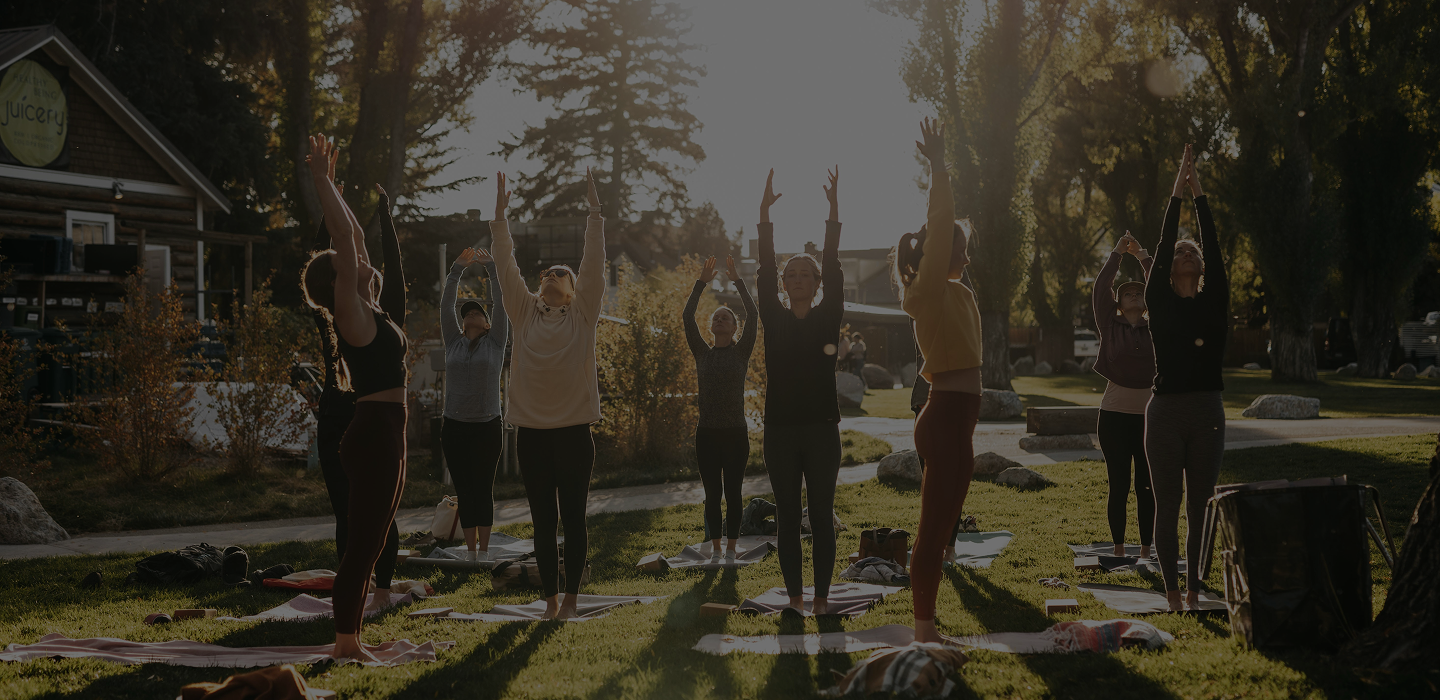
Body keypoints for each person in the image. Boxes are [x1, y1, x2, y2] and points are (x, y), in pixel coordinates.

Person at [300, 134, 410, 661]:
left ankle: (353, 637)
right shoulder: (352, 314)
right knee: (362, 548)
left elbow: (356, 235)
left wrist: (338, 190)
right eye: (345, 259)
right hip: (372, 437)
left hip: (388, 433)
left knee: (373, 541)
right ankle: (346, 645)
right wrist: (321, 181)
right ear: (338, 278)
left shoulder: (370, 307)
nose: (357, 256)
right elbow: (344, 236)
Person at [490, 168, 606, 620]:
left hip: (575, 433)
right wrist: (500, 217)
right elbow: (505, 265)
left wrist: (595, 213)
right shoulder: (524, 313)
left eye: (564, 273)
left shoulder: (582, 316)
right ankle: (550, 603)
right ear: (541, 285)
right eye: (549, 273)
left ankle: (572, 601)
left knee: (573, 519)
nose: (555, 274)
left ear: (575, 289)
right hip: (533, 435)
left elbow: (593, 260)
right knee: (542, 522)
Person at [895, 118, 984, 644]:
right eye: (958, 242)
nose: (965, 251)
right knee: (931, 535)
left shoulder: (958, 293)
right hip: (944, 416)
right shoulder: (925, 290)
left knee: (946, 531)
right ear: (938, 249)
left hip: (961, 422)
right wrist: (939, 166)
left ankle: (929, 627)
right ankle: (924, 633)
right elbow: (942, 216)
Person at [756, 166, 846, 615]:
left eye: (805, 273)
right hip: (780, 433)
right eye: (790, 274)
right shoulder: (772, 319)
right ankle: (795, 600)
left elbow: (833, 261)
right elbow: (764, 265)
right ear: (783, 284)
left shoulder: (829, 316)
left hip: (822, 432)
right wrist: (763, 215)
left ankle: (823, 601)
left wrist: (832, 212)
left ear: (816, 283)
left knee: (822, 518)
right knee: (788, 519)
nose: (796, 278)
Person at [1146, 144, 1228, 612]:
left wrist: (1201, 196)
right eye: (1179, 253)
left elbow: (1214, 247)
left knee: (1201, 505)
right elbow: (1160, 248)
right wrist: (1176, 191)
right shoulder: (1161, 301)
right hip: (1166, 412)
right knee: (1168, 505)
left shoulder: (1214, 301)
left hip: (1207, 412)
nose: (1184, 255)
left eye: (1189, 252)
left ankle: (1196, 590)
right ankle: (1173, 595)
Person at [682, 255, 758, 562]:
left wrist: (738, 280)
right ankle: (714, 548)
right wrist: (702, 282)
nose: (719, 320)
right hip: (707, 435)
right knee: (712, 495)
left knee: (734, 494)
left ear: (734, 327)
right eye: (716, 317)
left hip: (736, 435)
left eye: (725, 317)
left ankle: (731, 546)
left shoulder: (741, 352)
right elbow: (688, 317)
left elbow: (753, 315)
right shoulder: (702, 352)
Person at [439, 242, 509, 562]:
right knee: (464, 490)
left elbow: (501, 304)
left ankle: (484, 550)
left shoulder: (495, 344)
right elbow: (446, 306)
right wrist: (456, 271)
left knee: (483, 488)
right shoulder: (452, 341)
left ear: (487, 322)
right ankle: (469, 553)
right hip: (454, 426)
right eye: (466, 311)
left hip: (486, 426)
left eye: (476, 311)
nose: (470, 313)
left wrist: (492, 271)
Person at [1092, 231, 1156, 560]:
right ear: (1118, 303)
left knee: (1147, 487)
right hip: (1114, 418)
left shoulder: (1156, 328)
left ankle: (1146, 551)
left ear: (1147, 301)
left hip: (1150, 419)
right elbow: (1100, 288)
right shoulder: (1109, 324)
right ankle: (1118, 550)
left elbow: (1161, 287)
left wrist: (1143, 255)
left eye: (1138, 292)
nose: (1132, 294)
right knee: (1119, 485)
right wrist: (1117, 253)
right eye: (1127, 293)